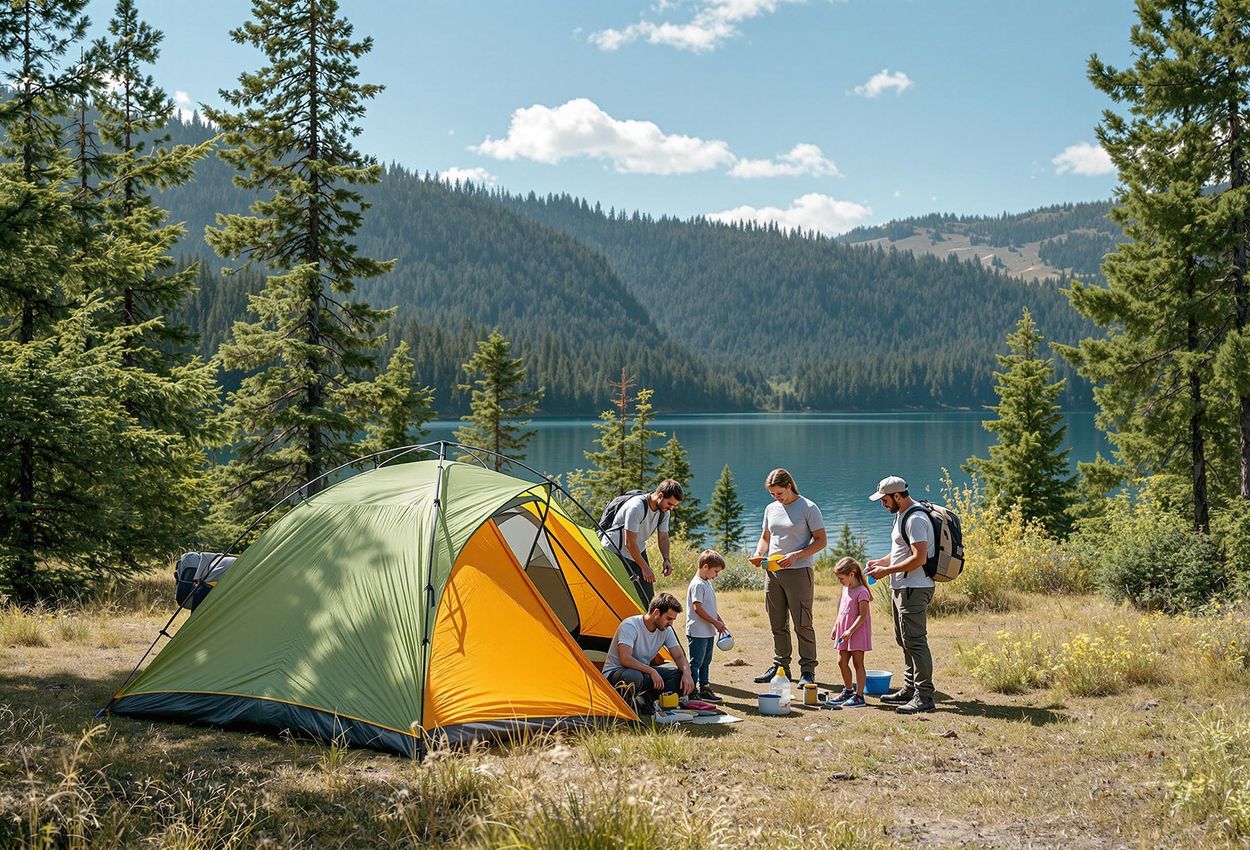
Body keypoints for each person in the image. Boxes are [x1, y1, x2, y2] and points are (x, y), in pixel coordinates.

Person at [863, 475, 936, 714]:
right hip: (903, 587)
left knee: (915, 641)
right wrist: (881, 562)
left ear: (897, 496)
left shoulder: (915, 519)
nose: (882, 504)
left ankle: (924, 696)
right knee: (904, 639)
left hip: (915, 587)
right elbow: (901, 552)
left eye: (884, 500)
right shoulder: (901, 515)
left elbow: (919, 558)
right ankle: (909, 688)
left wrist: (886, 571)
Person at [749, 468, 827, 687]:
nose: (777, 498)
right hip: (772, 572)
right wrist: (758, 553)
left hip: (799, 572)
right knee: (777, 623)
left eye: (779, 493)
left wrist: (796, 555)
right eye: (772, 494)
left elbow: (821, 541)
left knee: (802, 623)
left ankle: (808, 670)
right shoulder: (771, 509)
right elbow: (766, 537)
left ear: (789, 486)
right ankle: (780, 667)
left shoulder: (808, 507)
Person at [602, 592, 695, 715]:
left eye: (673, 619)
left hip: (643, 673)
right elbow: (625, 659)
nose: (671, 623)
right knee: (634, 676)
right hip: (617, 674)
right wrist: (652, 671)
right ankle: (628, 705)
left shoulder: (666, 630)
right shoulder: (630, 626)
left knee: (679, 674)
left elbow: (678, 656)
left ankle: (647, 700)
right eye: (669, 618)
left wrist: (687, 673)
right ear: (656, 613)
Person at [600, 480, 684, 605]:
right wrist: (644, 567)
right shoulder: (636, 507)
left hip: (636, 548)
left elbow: (663, 537)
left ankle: (645, 616)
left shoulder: (664, 512)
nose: (671, 508)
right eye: (670, 504)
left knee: (647, 597)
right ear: (660, 496)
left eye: (673, 506)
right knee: (617, 595)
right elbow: (629, 542)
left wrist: (666, 559)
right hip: (615, 550)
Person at [827, 557, 872, 709]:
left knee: (858, 663)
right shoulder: (845, 589)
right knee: (841, 661)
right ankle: (848, 691)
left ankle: (859, 696)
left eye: (841, 578)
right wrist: (836, 626)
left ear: (852, 574)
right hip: (844, 632)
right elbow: (841, 611)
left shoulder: (862, 592)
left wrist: (851, 630)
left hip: (857, 632)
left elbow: (863, 615)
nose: (840, 581)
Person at [685, 549, 728, 703]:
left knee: (706, 662)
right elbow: (697, 608)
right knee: (696, 662)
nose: (716, 575)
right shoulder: (697, 584)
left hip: (708, 631)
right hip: (697, 631)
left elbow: (709, 607)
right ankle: (691, 691)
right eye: (715, 571)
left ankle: (704, 688)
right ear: (705, 567)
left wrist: (719, 620)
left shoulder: (706, 583)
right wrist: (714, 622)